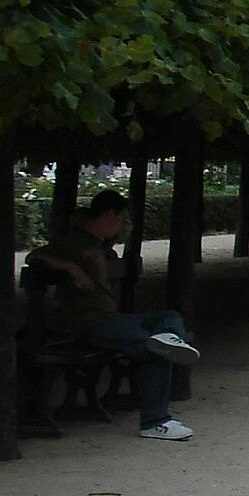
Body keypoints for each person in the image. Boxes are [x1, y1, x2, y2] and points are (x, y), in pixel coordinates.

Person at [31, 189, 199, 441]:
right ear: (109, 214)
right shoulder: (75, 242)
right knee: (156, 350)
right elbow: (36, 255)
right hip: (92, 323)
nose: (123, 226)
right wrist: (71, 267)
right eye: (121, 220)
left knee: (168, 317)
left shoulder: (97, 243)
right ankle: (155, 421)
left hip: (112, 318)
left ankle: (171, 338)